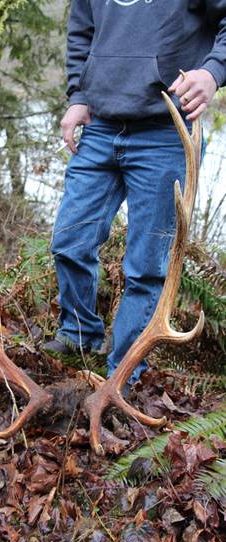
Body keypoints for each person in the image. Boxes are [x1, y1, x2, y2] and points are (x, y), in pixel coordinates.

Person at [42, 0, 225, 387]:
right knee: (69, 242)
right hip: (101, 125)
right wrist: (77, 96)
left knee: (146, 269)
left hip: (166, 133)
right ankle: (79, 336)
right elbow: (82, 30)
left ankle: (122, 377)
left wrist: (212, 72)